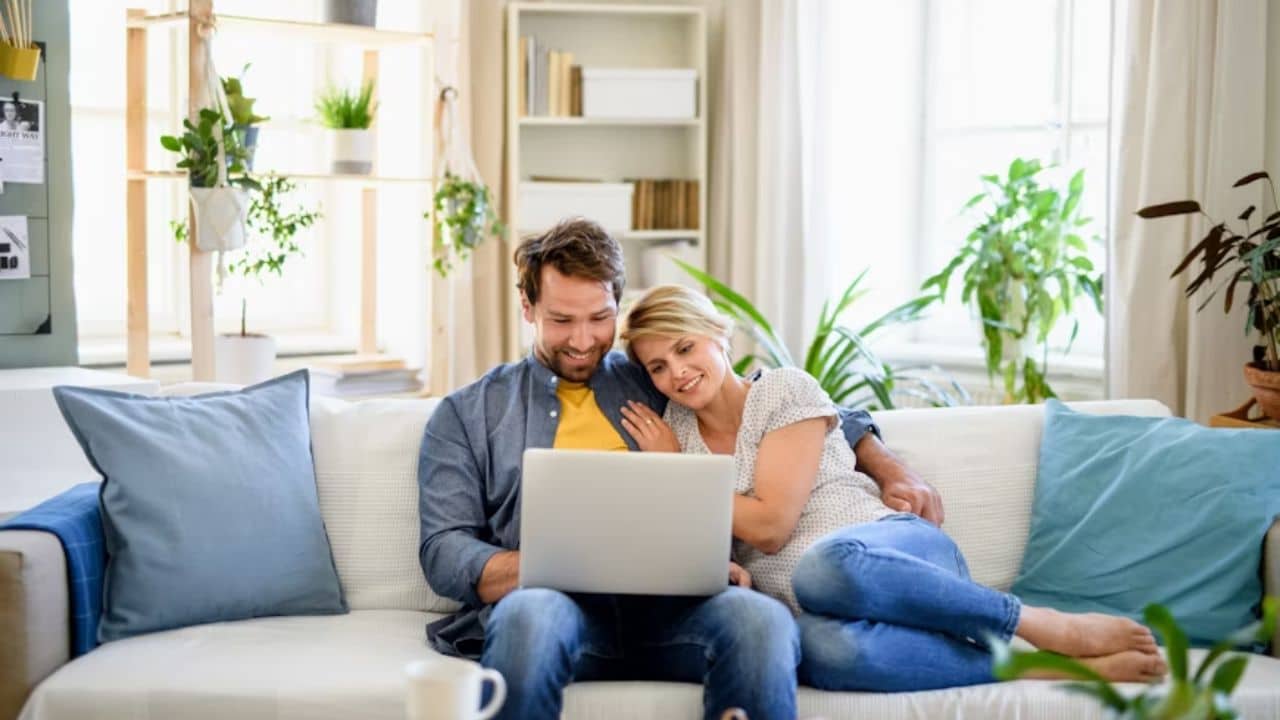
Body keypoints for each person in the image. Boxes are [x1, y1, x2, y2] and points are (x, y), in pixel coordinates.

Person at [618, 284, 1169, 692]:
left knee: (823, 567)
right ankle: (1045, 668)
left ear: (718, 335)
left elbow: (769, 526)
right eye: (659, 366)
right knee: (824, 652)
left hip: (893, 555)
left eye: (686, 348)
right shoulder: (674, 438)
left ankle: (1036, 624)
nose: (678, 373)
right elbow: (715, 553)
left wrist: (681, 477)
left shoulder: (784, 391)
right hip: (821, 612)